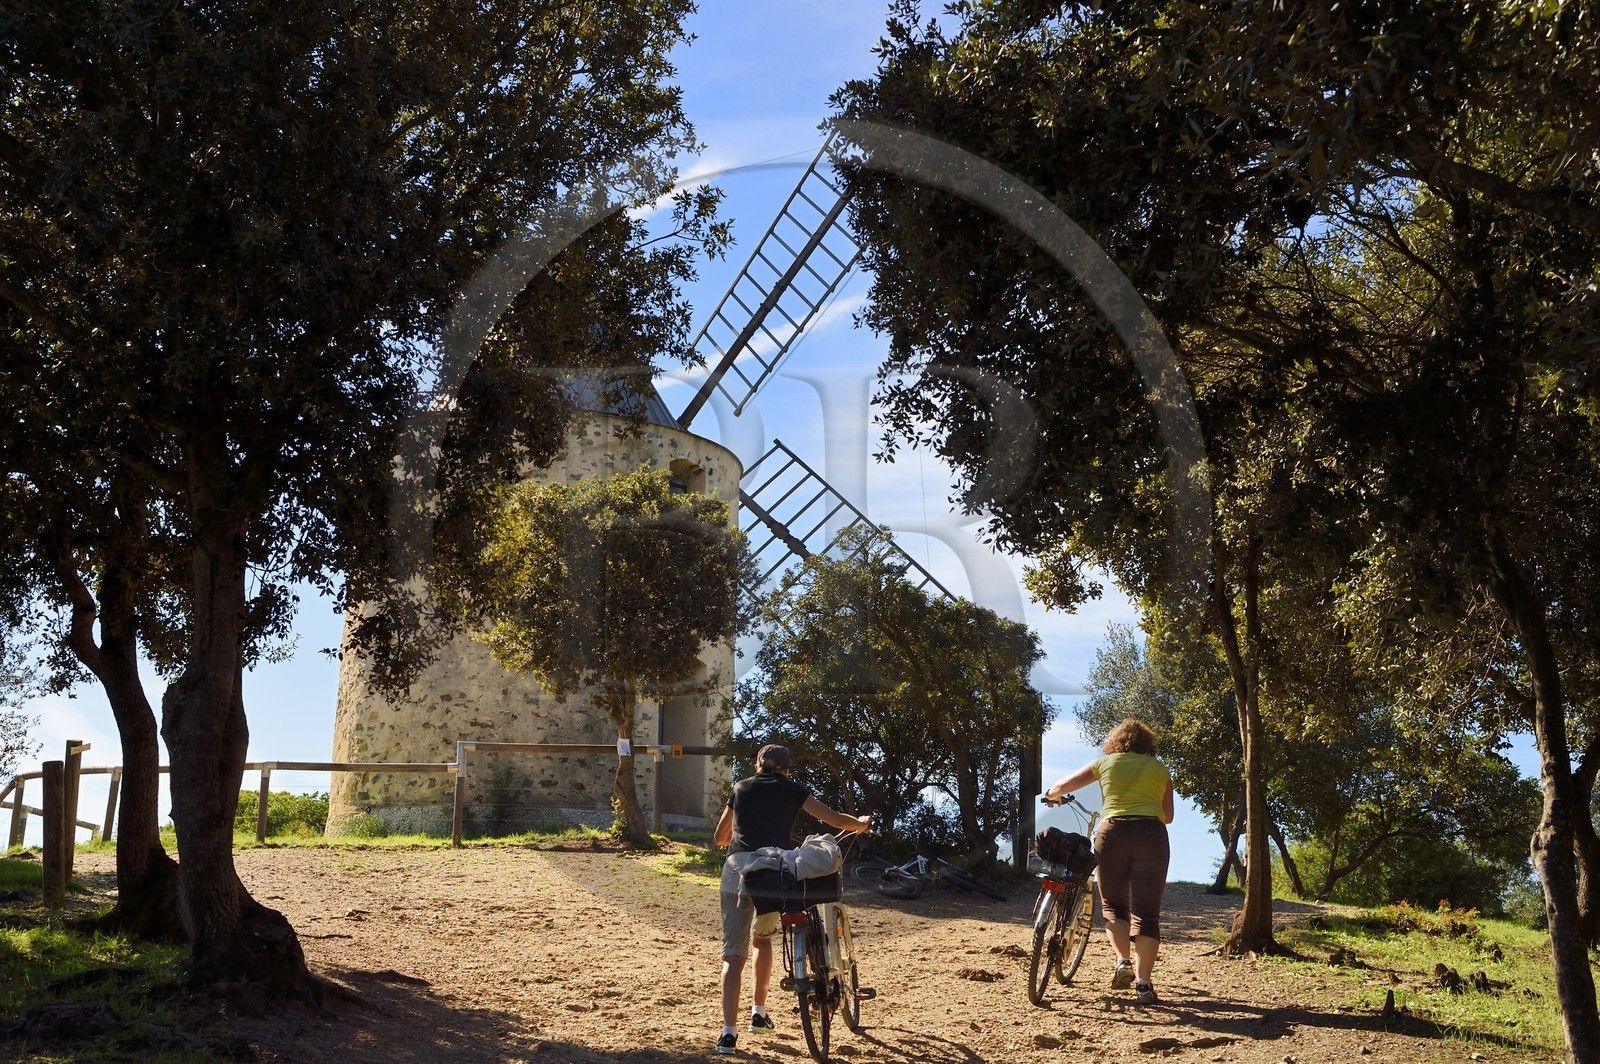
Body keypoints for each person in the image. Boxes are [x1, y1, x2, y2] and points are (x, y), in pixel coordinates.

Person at [712, 743, 871, 1055]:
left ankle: (728, 1034)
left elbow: (720, 837)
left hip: (736, 871)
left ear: (757, 765)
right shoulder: (793, 789)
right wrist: (861, 823)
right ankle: (758, 1013)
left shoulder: (740, 788)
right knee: (762, 940)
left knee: (733, 957)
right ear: (787, 769)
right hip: (771, 873)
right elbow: (835, 820)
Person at [1043, 717, 1174, 1005]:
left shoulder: (1105, 762)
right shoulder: (1160, 769)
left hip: (1112, 834)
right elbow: (1168, 816)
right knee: (1147, 914)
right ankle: (1144, 985)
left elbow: (1064, 784)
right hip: (1151, 836)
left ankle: (1122, 962)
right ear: (1148, 743)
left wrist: (1050, 795)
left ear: (1116, 741)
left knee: (1114, 906)